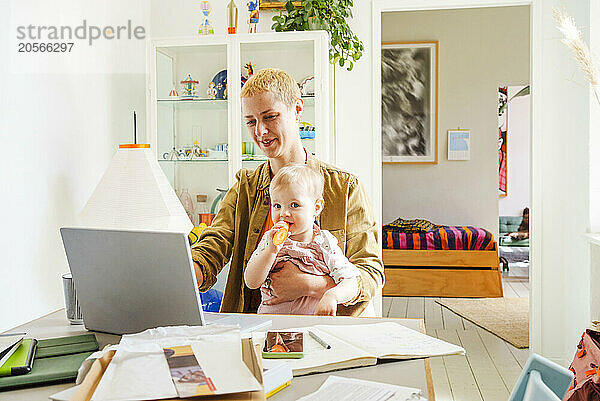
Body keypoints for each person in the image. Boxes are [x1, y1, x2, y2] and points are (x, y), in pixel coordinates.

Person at [190, 68, 383, 316]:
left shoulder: (344, 188)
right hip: (256, 330)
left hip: (329, 335)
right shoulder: (245, 187)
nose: (260, 131)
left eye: (270, 117)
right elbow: (213, 245)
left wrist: (311, 285)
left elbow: (370, 272)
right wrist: (188, 272)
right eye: (251, 121)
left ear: (297, 110)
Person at [245, 165, 360, 316]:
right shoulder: (270, 240)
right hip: (272, 326)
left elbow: (351, 282)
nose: (283, 213)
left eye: (294, 205)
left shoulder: (324, 242)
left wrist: (332, 296)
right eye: (277, 205)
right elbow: (251, 282)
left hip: (310, 327)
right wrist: (271, 251)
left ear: (316, 207)